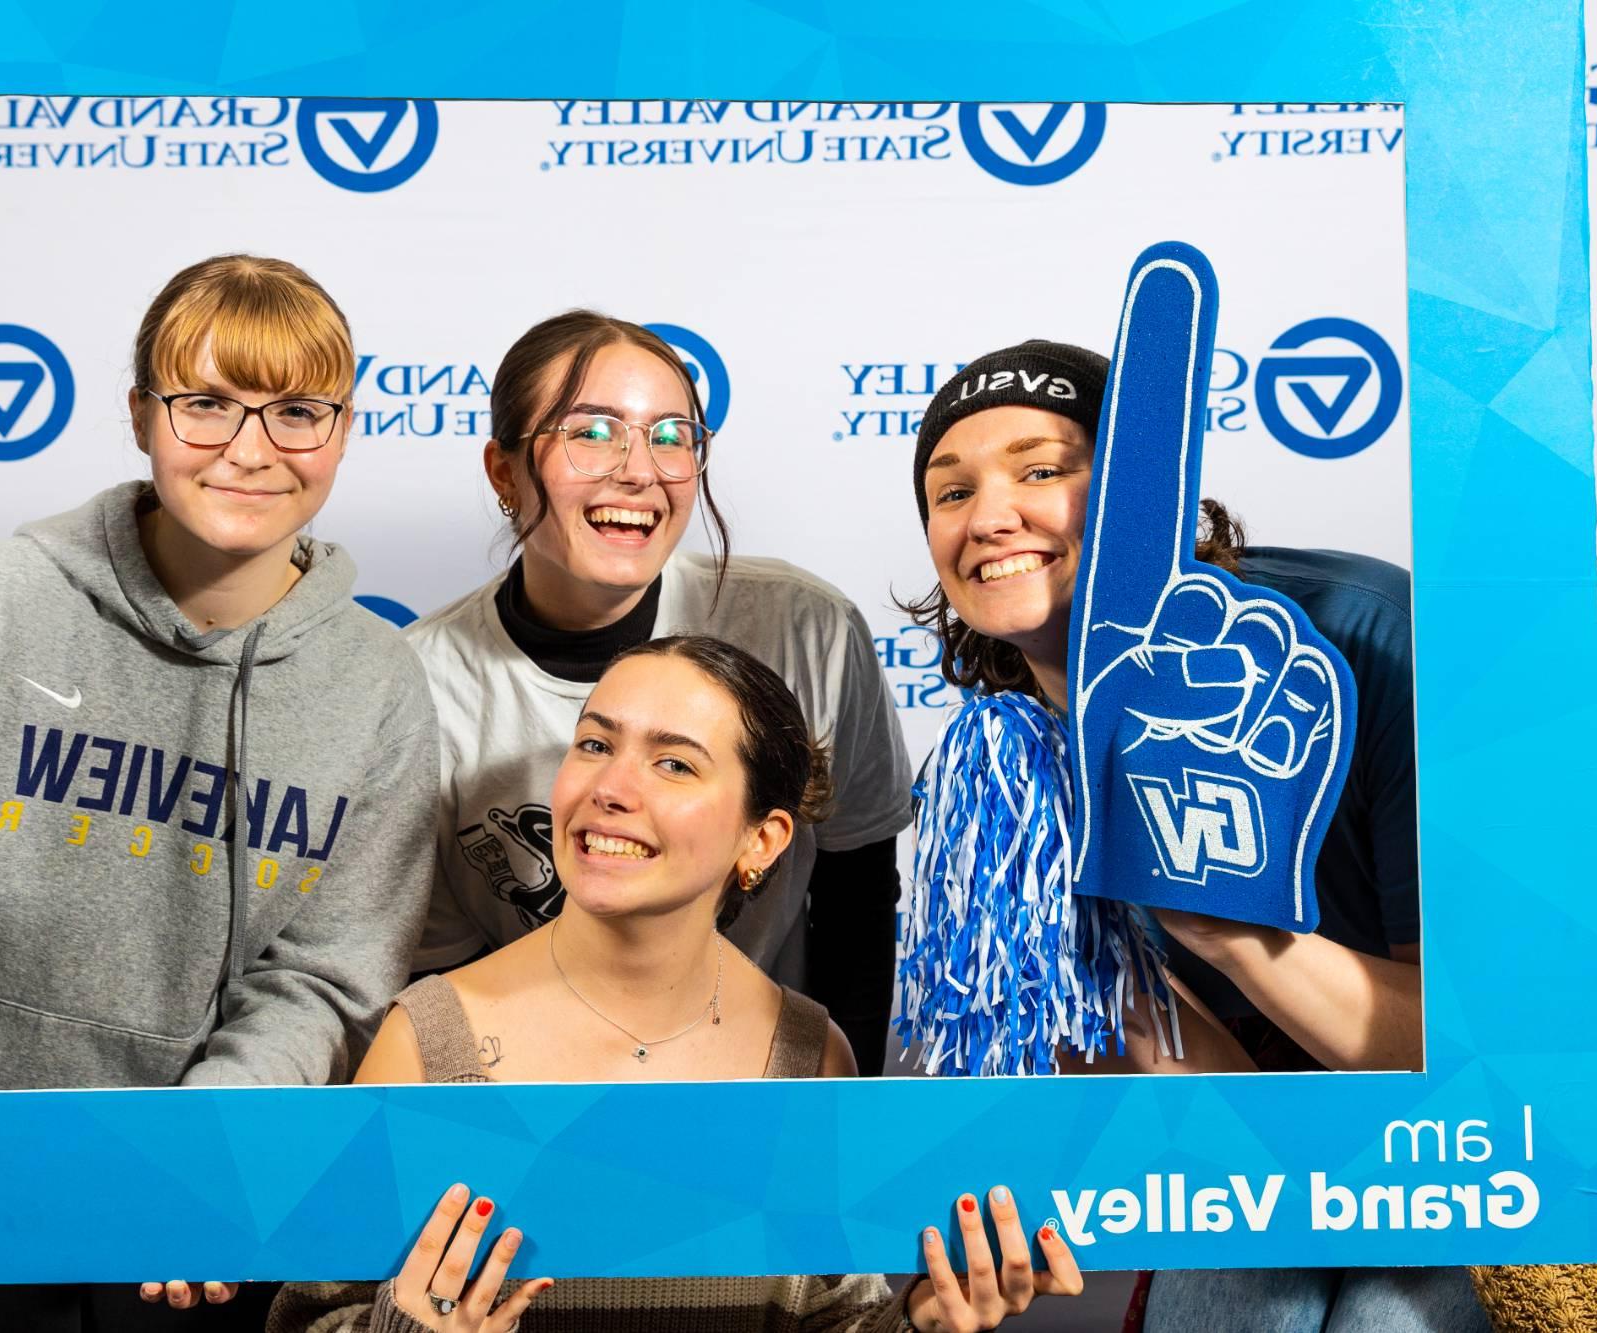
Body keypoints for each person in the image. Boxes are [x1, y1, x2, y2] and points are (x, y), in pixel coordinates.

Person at [0, 254, 439, 1332]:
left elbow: (324, 985)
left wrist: (196, 1167)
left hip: (187, 1226)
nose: (250, 450)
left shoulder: (378, 684)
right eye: (205, 405)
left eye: (296, 411)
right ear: (142, 413)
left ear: (341, 430)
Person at [906, 339, 1481, 1330]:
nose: (989, 516)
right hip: (1264, 1149)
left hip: (1464, 1147)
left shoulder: (1361, 632)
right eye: (947, 493)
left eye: (1041, 468)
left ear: (1144, 485)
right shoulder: (1005, 767)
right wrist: (1115, 984)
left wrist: (1224, 928)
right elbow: (1230, 1133)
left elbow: (1476, 1065)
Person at [271, 635, 1083, 1332]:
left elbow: (831, 1318)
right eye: (595, 744)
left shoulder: (809, 1054)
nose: (611, 789)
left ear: (760, 839)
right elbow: (311, 1316)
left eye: (673, 762)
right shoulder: (428, 1038)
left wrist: (920, 1321)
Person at [402, 311, 914, 1075]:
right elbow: (437, 974)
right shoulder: (422, 682)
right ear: (504, 471)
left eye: (672, 435)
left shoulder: (812, 630)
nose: (638, 469)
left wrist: (840, 1125)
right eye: (592, 431)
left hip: (763, 1089)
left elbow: (857, 907)